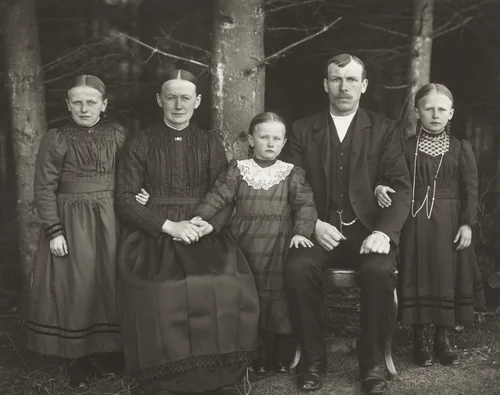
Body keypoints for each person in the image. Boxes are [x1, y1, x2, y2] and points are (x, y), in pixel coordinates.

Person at [115, 69, 259, 395]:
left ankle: (221, 376)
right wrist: (167, 226)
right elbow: (124, 199)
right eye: (170, 97)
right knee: (161, 290)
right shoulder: (141, 141)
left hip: (201, 229)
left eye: (185, 97)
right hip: (156, 234)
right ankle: (167, 380)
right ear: (159, 100)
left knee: (223, 283)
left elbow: (224, 192)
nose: (178, 104)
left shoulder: (209, 142)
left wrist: (210, 224)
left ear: (198, 101)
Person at [282, 54, 411, 394]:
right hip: (319, 233)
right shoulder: (301, 129)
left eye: (352, 79)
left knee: (380, 271)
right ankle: (312, 360)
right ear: (325, 85)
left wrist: (384, 232)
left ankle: (371, 363)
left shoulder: (384, 129)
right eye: (337, 79)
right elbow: (292, 185)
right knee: (297, 269)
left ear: (364, 86)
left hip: (367, 234)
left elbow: (400, 186)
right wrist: (312, 224)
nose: (344, 87)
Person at [29, 75, 148, 389]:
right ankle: (76, 358)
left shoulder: (119, 135)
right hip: (72, 220)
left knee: (109, 281)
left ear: (104, 104)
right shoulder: (57, 138)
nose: (84, 108)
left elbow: (131, 174)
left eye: (91, 102)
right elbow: (43, 188)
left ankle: (108, 353)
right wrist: (54, 230)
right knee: (77, 285)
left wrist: (139, 195)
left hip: (111, 217)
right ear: (68, 105)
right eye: (77, 102)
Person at [193, 112, 317, 375]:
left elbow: (305, 205)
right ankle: (257, 350)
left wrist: (302, 233)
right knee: (250, 293)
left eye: (276, 139)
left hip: (278, 242)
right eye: (263, 137)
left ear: (284, 143)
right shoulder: (238, 169)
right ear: (251, 140)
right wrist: (198, 217)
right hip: (244, 240)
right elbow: (219, 196)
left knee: (278, 294)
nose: (270, 144)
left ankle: (282, 349)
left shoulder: (292, 173)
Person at [375, 83, 485, 367]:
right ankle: (420, 337)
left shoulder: (462, 148)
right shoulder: (406, 146)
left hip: (449, 222)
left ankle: (443, 337)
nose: (435, 114)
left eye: (441, 109)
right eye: (428, 108)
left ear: (451, 113)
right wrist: (380, 187)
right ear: (416, 112)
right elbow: (391, 178)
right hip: (414, 220)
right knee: (417, 272)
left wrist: (468, 225)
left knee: (445, 274)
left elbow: (471, 191)